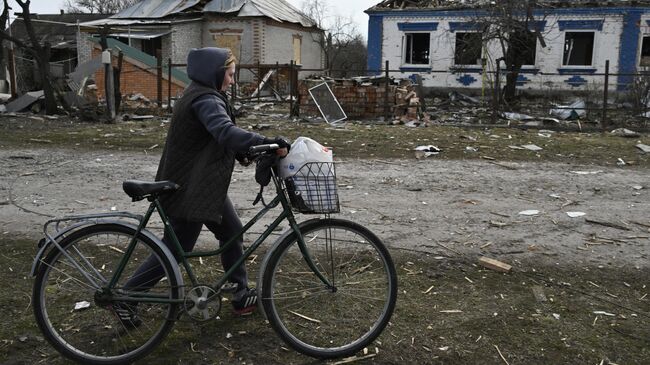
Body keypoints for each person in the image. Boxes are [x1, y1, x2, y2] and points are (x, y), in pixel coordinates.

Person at [117, 47, 289, 326]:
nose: (232, 81)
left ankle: (239, 291)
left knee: (232, 231)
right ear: (216, 72)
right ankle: (128, 297)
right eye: (230, 75)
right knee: (174, 249)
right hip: (189, 189)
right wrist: (265, 141)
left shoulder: (203, 94)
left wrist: (251, 150)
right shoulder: (205, 99)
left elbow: (217, 139)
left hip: (201, 186)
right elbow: (223, 131)